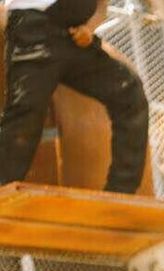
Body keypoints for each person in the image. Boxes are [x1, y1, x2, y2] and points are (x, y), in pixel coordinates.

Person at [0, 0, 148, 192]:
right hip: (34, 31)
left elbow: (101, 6)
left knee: (128, 91)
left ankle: (121, 193)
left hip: (75, 38)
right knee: (25, 116)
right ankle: (2, 188)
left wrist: (90, 27)